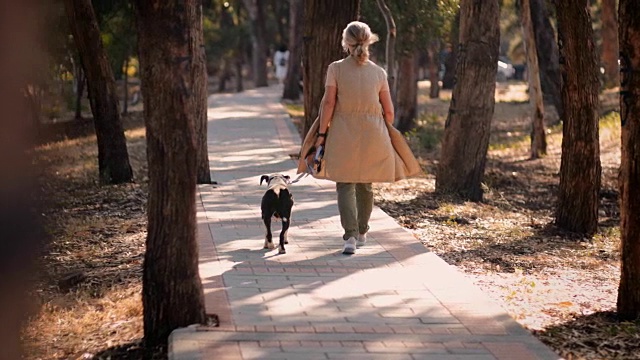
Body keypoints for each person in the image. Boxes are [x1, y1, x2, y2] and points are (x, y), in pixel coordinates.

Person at [297, 21, 421, 255]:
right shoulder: (378, 72)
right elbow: (390, 111)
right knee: (366, 183)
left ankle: (350, 238)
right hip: (374, 131)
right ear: (369, 40)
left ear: (345, 42)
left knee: (345, 183)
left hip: (344, 130)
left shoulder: (336, 68)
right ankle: (363, 231)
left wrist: (322, 134)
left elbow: (329, 103)